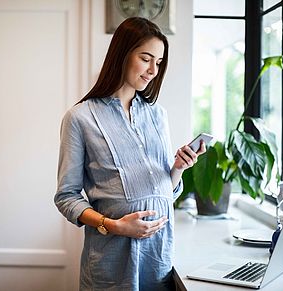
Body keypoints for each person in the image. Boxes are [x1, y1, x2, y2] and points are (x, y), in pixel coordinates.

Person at [54, 17, 205, 290]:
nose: (152, 70)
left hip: (158, 258)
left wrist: (179, 168)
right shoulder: (80, 118)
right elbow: (66, 197)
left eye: (158, 63)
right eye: (146, 58)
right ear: (122, 55)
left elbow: (163, 192)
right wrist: (113, 225)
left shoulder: (158, 116)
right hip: (111, 262)